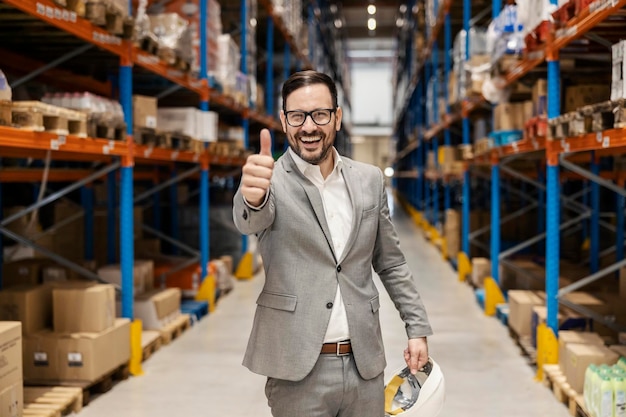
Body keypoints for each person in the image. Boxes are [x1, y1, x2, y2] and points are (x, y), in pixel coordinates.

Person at [232, 70, 433, 417]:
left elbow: (391, 262)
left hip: (364, 366)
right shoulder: (269, 181)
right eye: (297, 116)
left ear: (337, 118)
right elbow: (250, 218)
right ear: (283, 120)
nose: (308, 127)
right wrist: (250, 198)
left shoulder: (369, 180)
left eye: (320, 114)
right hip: (297, 369)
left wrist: (416, 328)